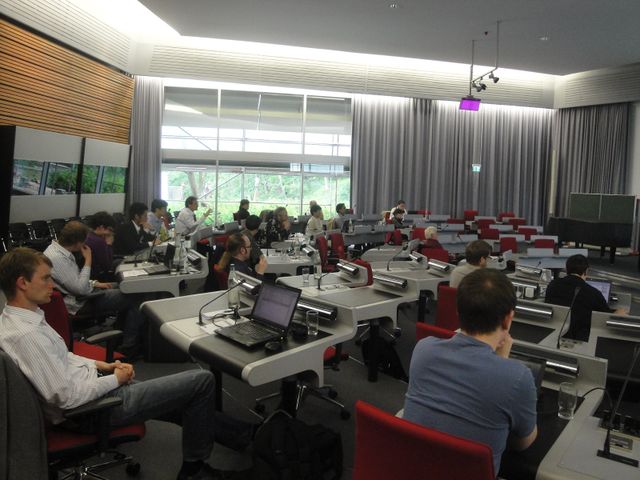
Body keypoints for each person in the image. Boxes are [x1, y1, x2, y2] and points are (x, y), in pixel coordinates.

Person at [0, 247, 254, 480]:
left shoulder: (22, 319)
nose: (53, 285)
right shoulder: (26, 335)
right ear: (22, 283)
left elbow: (63, 356)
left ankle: (248, 437)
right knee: (201, 381)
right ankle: (196, 471)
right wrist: (116, 379)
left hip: (94, 391)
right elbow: (65, 397)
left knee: (182, 398)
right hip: (92, 410)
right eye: (46, 278)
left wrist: (103, 366)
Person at [403, 269, 537, 473]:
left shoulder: (423, 349)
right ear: (508, 319)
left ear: (458, 312)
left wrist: (499, 363)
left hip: (413, 471)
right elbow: (523, 442)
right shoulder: (518, 377)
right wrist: (502, 362)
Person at [44, 221, 145, 356]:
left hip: (80, 295)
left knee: (121, 286)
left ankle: (118, 337)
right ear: (78, 243)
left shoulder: (57, 250)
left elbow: (73, 279)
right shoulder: (57, 258)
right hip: (79, 303)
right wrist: (88, 259)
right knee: (135, 296)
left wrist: (94, 283)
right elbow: (80, 289)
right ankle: (129, 346)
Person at [545, 254, 626, 342]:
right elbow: (605, 319)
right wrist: (618, 313)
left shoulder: (552, 285)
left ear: (567, 269)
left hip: (552, 334)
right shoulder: (593, 293)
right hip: (580, 341)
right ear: (586, 271)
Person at [84, 211, 116, 281]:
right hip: (97, 278)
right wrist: (109, 244)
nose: (111, 233)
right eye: (110, 230)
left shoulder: (88, 235)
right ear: (101, 227)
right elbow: (108, 266)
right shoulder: (99, 241)